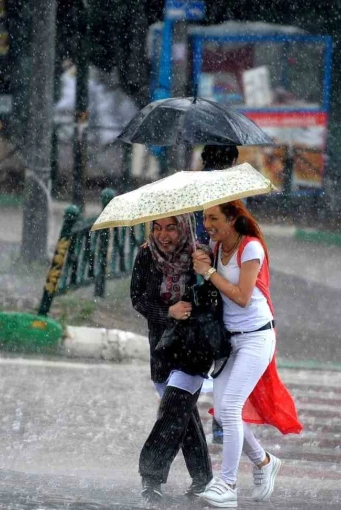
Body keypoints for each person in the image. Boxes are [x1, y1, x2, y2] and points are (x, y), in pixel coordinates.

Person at [192, 200, 302, 507]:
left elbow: (241, 296)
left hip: (256, 338)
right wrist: (203, 264)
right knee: (225, 414)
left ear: (231, 219)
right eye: (204, 218)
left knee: (230, 409)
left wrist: (210, 271)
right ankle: (265, 461)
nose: (208, 224)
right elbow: (215, 288)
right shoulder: (216, 248)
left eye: (213, 218)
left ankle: (227, 485)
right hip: (230, 343)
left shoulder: (250, 247)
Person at [130, 214, 213, 504]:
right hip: (161, 349)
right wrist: (168, 312)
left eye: (171, 227)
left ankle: (150, 476)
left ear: (185, 227)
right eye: (157, 227)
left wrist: (204, 275)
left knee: (173, 410)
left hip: (194, 348)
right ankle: (203, 478)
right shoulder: (145, 255)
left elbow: (214, 300)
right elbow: (138, 299)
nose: (163, 235)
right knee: (183, 415)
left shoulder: (200, 255)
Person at [194, 144, 239, 445]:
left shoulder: (193, 186)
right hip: (222, 270)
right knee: (225, 349)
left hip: (197, 270)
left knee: (198, 346)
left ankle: (184, 407)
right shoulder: (230, 191)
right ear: (232, 160)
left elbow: (196, 229)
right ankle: (221, 422)